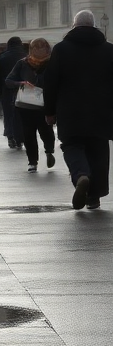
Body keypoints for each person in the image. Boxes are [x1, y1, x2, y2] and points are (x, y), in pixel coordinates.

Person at [42, 11, 113, 210]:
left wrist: (49, 111)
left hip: (70, 110)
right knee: (99, 151)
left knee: (72, 145)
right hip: (102, 111)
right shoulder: (109, 50)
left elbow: (51, 81)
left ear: (74, 25)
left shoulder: (62, 49)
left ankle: (81, 175)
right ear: (95, 25)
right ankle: (94, 197)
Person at [5, 38, 56, 173]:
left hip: (45, 104)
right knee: (28, 134)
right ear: (31, 49)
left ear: (47, 49)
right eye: (36, 48)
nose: (39, 51)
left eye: (42, 48)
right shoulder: (22, 63)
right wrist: (21, 83)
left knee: (46, 131)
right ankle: (32, 161)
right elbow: (8, 80)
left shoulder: (52, 63)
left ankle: (49, 151)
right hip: (26, 105)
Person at [0, 36, 26, 149]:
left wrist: (0, 91)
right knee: (23, 115)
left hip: (7, 90)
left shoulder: (2, 58)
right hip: (25, 90)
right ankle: (21, 138)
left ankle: (11, 137)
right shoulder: (27, 56)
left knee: (8, 115)